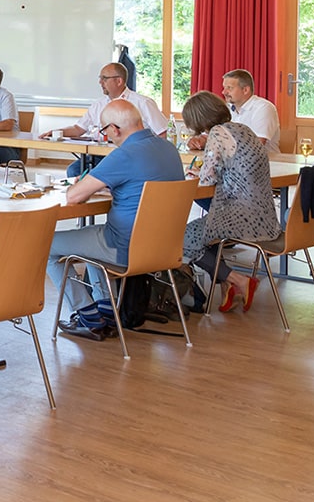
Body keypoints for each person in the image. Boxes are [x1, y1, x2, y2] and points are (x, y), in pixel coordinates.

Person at [49, 100, 184, 341]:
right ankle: (107, 312)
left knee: (46, 245)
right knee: (90, 237)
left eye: (104, 130)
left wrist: (92, 186)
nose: (105, 136)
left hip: (126, 248)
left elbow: (74, 196)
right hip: (164, 248)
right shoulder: (168, 149)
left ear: (115, 129)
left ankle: (88, 317)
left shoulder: (124, 155)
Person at [177, 92, 279, 312]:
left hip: (241, 215)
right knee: (199, 233)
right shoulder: (243, 129)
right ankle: (226, 283)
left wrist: (195, 173)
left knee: (182, 238)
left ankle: (238, 280)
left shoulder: (217, 133)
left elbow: (207, 179)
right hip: (264, 214)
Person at [50, 63, 169, 177]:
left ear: (119, 81)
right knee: (74, 170)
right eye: (100, 78)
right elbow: (78, 129)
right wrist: (55, 132)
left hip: (133, 155)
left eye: (105, 78)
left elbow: (163, 133)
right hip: (101, 155)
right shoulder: (98, 104)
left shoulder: (143, 103)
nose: (100, 82)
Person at [189, 69, 280, 155]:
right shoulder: (227, 108)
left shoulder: (263, 108)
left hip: (267, 164)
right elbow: (213, 136)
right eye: (224, 87)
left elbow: (256, 145)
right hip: (233, 163)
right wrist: (198, 141)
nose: (224, 92)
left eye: (229, 88)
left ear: (245, 90)